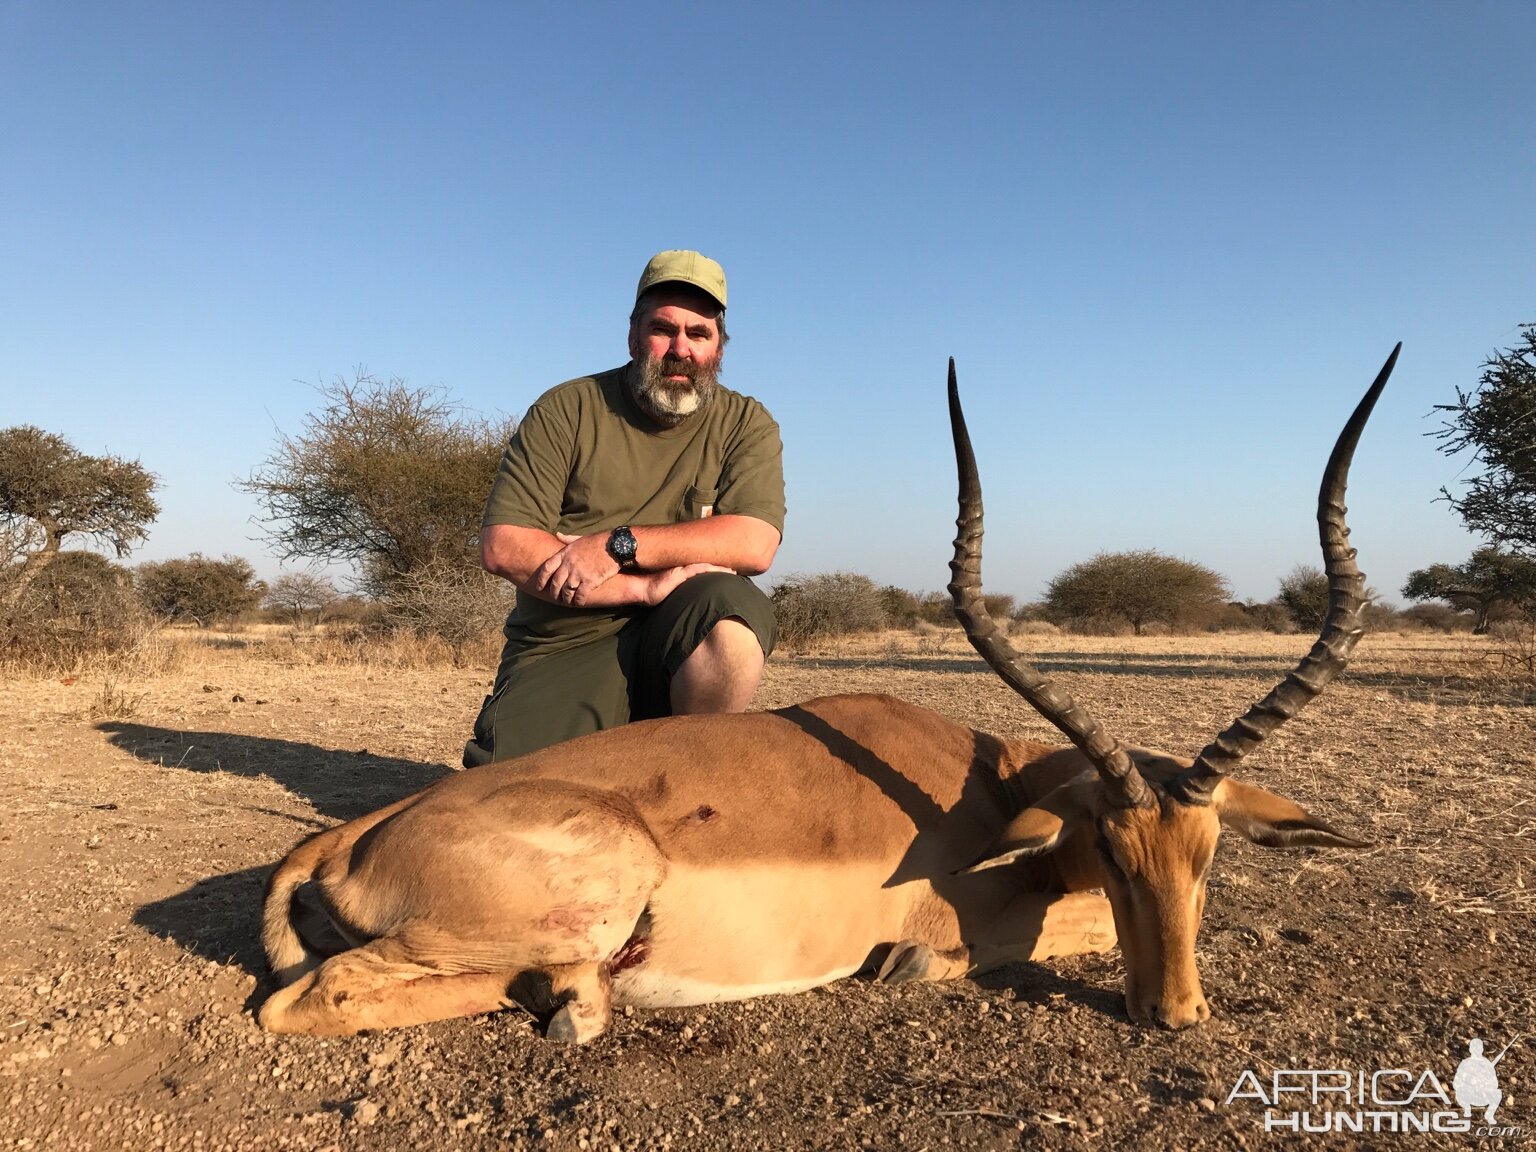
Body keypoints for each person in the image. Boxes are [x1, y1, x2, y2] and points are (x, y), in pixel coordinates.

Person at [463, 250, 784, 767]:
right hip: (567, 637)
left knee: (730, 613)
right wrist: (642, 585)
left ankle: (693, 778)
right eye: (663, 329)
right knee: (514, 805)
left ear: (719, 345)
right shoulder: (566, 408)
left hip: (678, 635)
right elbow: (505, 546)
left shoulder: (747, 423)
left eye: (699, 334)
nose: (681, 348)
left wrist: (617, 545)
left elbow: (753, 541)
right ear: (634, 334)